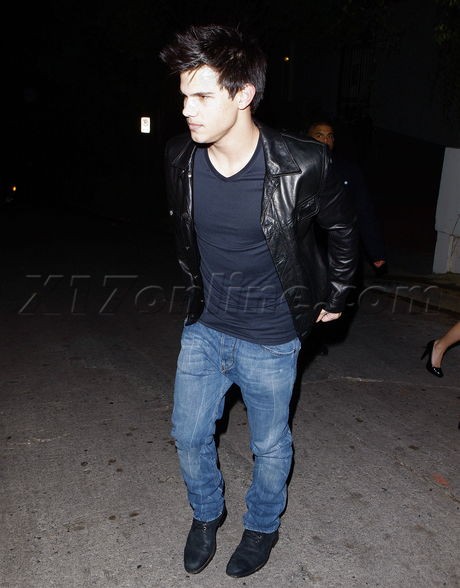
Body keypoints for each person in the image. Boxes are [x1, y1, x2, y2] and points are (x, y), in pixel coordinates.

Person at [159, 24, 358, 579]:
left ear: (243, 94)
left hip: (271, 337)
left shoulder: (303, 162)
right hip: (206, 326)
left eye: (202, 96)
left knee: (269, 446)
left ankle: (262, 526)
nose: (187, 110)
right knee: (188, 434)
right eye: (184, 96)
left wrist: (339, 292)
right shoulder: (179, 157)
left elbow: (343, 228)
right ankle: (207, 515)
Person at [307, 119, 387, 275]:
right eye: (319, 135)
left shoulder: (349, 170)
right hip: (306, 245)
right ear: (308, 139)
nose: (325, 140)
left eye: (330, 136)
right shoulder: (296, 169)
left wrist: (376, 251)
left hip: (340, 244)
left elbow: (364, 210)